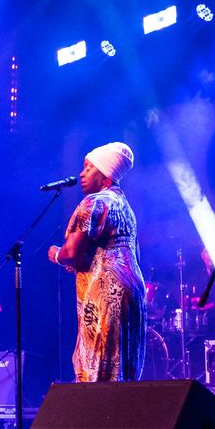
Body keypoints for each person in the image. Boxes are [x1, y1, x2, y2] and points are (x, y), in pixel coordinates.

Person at [48, 142, 147, 382]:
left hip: (105, 291)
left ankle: (98, 417)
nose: (81, 174)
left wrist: (57, 254)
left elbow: (71, 252)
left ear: (106, 175)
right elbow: (130, 251)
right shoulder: (125, 207)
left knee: (98, 365)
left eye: (89, 168)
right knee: (123, 363)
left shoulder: (94, 202)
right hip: (132, 289)